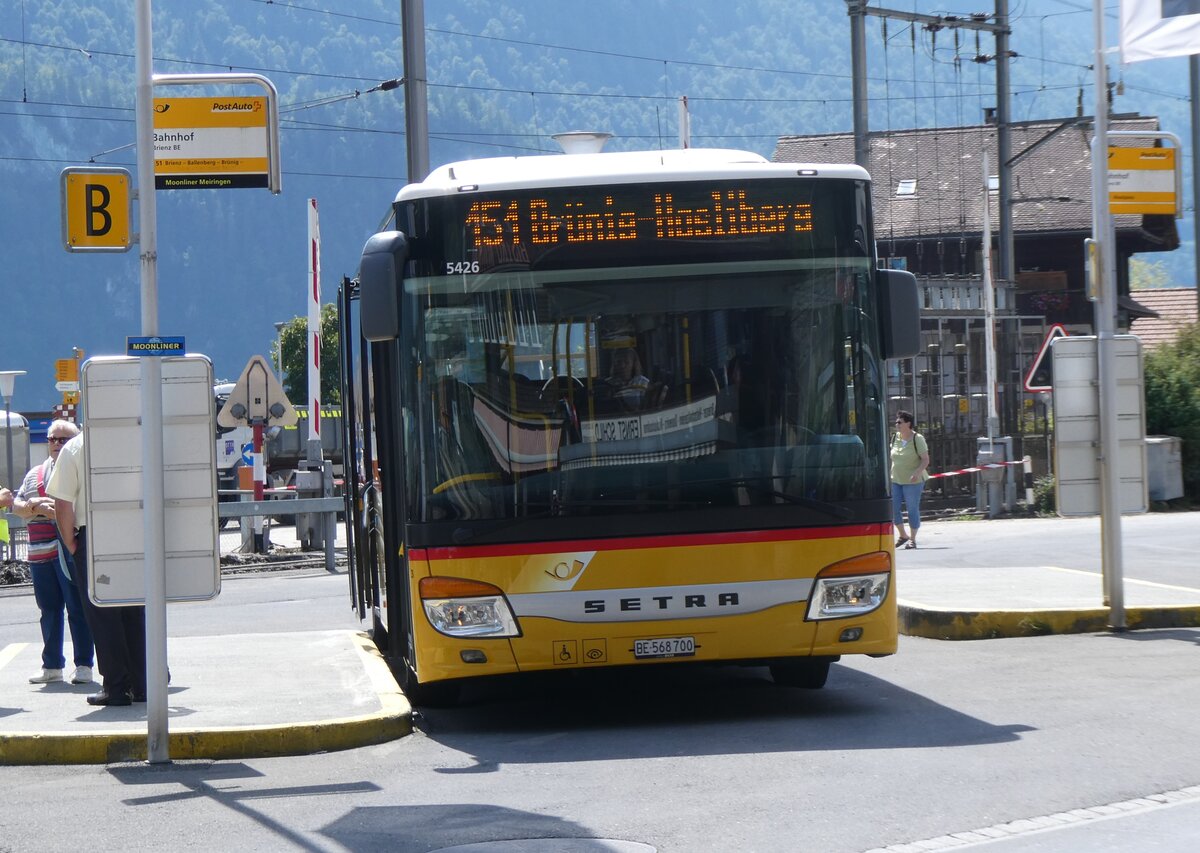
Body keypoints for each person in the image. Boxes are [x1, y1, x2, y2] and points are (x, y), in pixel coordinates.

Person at [45, 432, 147, 707]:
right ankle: (143, 683)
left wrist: (71, 543)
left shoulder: (76, 447)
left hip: (95, 533)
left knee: (102, 613)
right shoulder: (132, 437)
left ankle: (116, 686)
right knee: (134, 610)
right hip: (134, 530)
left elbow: (63, 502)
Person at [12, 420, 95, 686]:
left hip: (68, 549)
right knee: (48, 609)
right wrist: (37, 505)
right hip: (39, 553)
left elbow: (69, 508)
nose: (57, 444)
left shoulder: (82, 468)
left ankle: (83, 665)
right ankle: (51, 665)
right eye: (53, 439)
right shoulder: (34, 473)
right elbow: (18, 507)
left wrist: (43, 507)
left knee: (78, 608)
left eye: (64, 439)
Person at [890, 410, 930, 550]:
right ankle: (903, 535)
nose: (897, 424)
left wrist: (917, 473)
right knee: (893, 509)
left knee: (912, 509)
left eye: (900, 422)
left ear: (908, 424)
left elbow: (925, 460)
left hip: (913, 481)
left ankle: (912, 539)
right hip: (896, 479)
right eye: (896, 422)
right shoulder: (895, 437)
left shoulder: (917, 438)